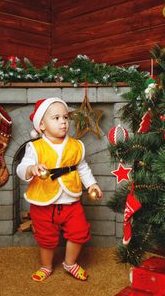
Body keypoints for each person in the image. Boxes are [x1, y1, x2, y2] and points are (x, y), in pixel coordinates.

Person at [16, 97, 102, 282]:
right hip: (43, 202)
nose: (63, 121)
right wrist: (31, 169)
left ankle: (70, 263)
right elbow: (21, 169)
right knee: (46, 238)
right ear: (42, 125)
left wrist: (91, 184)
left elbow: (82, 167)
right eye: (56, 118)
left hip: (71, 201)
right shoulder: (35, 147)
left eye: (65, 117)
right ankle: (46, 266)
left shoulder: (76, 145)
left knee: (79, 232)